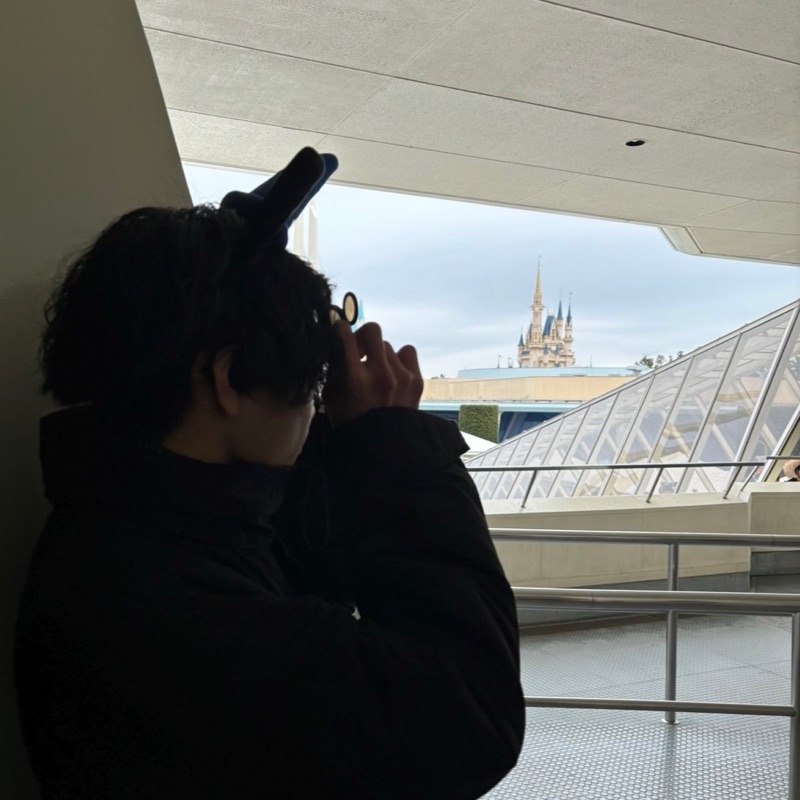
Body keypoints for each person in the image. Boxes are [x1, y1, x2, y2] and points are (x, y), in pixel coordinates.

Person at [14, 148, 524, 799]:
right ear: (228, 379)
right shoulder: (184, 619)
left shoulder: (126, 532)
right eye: (310, 386)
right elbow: (469, 721)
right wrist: (394, 450)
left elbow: (298, 550)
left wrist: (343, 435)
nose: (313, 408)